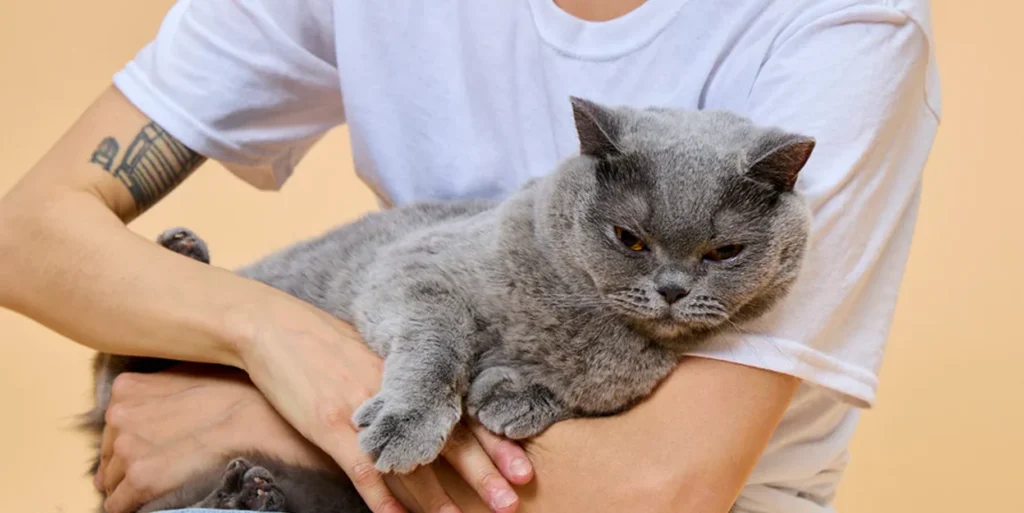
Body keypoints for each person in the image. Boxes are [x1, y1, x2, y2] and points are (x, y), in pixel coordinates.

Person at [0, 0, 942, 512]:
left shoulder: (840, 24)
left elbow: (659, 489)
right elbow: (26, 237)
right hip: (408, 411)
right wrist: (259, 331)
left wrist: (260, 413)